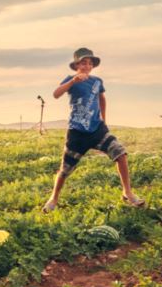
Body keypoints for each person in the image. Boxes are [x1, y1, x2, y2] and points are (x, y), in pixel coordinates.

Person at [43, 47, 144, 211]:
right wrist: (72, 82)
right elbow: (56, 94)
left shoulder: (97, 82)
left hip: (98, 129)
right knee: (65, 170)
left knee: (120, 153)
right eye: (83, 63)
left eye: (90, 63)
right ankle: (53, 199)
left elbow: (102, 99)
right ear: (77, 65)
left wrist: (104, 120)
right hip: (77, 132)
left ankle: (128, 192)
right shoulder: (71, 79)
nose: (87, 66)